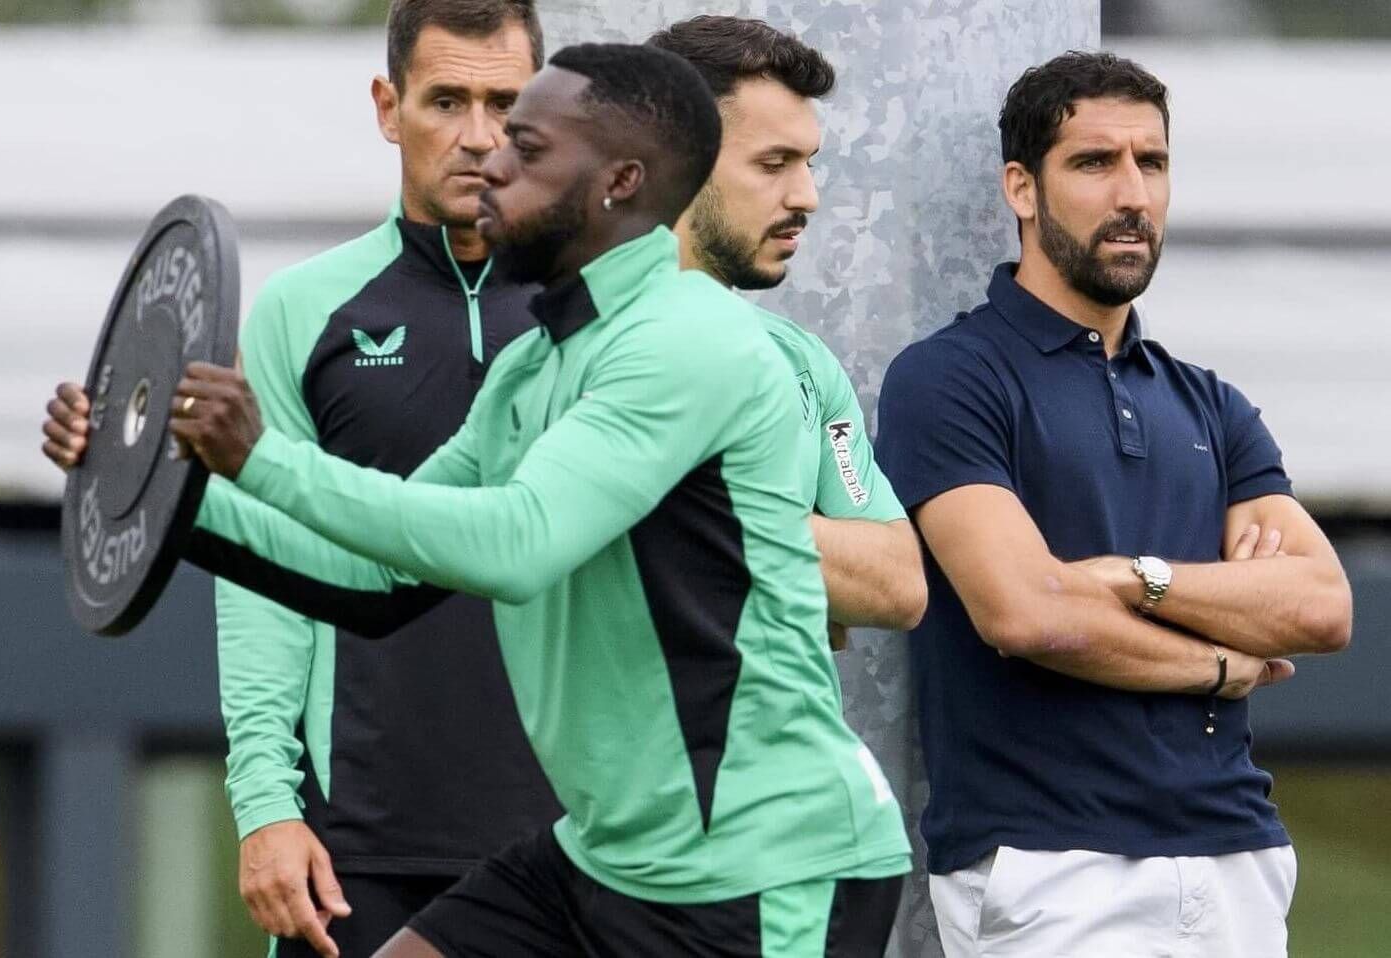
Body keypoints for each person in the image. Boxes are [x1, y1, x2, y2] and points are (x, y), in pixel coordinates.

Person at [170, 42, 912, 957]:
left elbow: (517, 544)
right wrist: (174, 493)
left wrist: (259, 460)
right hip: (606, 854)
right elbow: (375, 578)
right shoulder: (532, 366)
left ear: (619, 183)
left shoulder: (688, 341)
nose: (490, 159)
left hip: (765, 864)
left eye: (526, 148)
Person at [39, 3, 562, 955]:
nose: (479, 136)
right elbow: (266, 578)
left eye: (505, 104)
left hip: (579, 836)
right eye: (447, 101)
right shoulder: (299, 310)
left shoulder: (596, 310)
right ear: (388, 106)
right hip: (360, 842)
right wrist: (265, 806)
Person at [874, 51, 1353, 957]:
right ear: (1023, 188)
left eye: (1153, 162)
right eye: (1095, 162)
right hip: (1052, 866)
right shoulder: (949, 379)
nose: (1133, 194)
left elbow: (1321, 606)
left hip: (1238, 856)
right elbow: (1026, 614)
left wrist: (1135, 579)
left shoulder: (1210, 403)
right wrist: (1220, 662)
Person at [648, 15, 925, 644]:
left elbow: (897, 582)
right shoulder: (567, 345)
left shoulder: (800, 360)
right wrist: (808, 564)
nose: (807, 196)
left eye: (807, 163)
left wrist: (702, 512)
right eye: (774, 164)